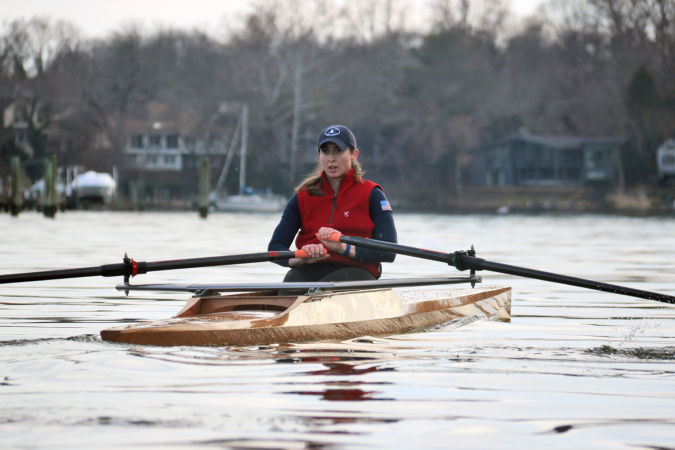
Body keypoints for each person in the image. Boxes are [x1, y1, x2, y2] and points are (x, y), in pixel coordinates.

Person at [268, 124, 397, 282]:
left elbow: (389, 251)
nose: (331, 158)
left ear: (354, 154)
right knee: (292, 280)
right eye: (325, 151)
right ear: (319, 155)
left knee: (324, 289)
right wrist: (299, 259)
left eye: (338, 150)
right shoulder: (303, 195)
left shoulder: (373, 194)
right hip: (309, 269)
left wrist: (344, 247)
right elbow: (275, 248)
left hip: (356, 271)